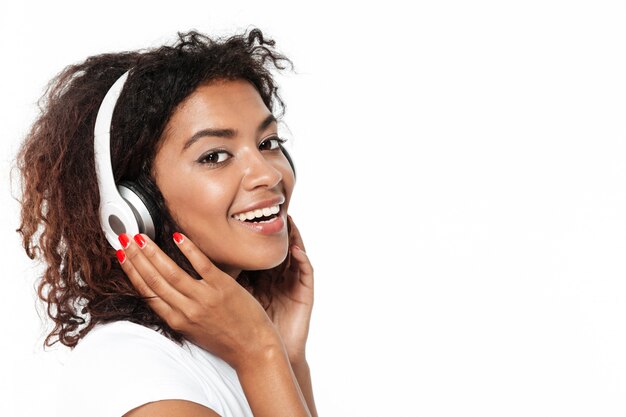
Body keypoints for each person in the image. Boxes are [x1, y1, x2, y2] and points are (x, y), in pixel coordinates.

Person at [16, 28, 317, 417]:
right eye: (215, 156)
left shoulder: (232, 345)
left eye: (268, 143)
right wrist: (261, 350)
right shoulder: (133, 371)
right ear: (131, 205)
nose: (268, 174)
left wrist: (287, 355)